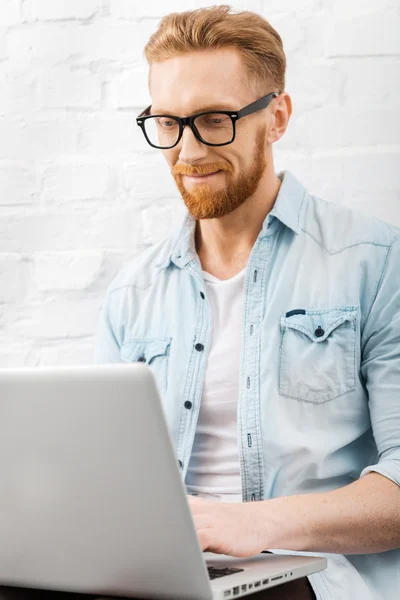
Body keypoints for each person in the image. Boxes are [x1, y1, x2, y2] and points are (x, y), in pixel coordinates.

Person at [95, 5, 400, 599]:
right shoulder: (130, 296)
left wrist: (253, 524)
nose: (187, 153)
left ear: (277, 116)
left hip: (310, 574)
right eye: (167, 123)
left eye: (213, 120)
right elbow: (110, 480)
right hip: (167, 573)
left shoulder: (376, 261)